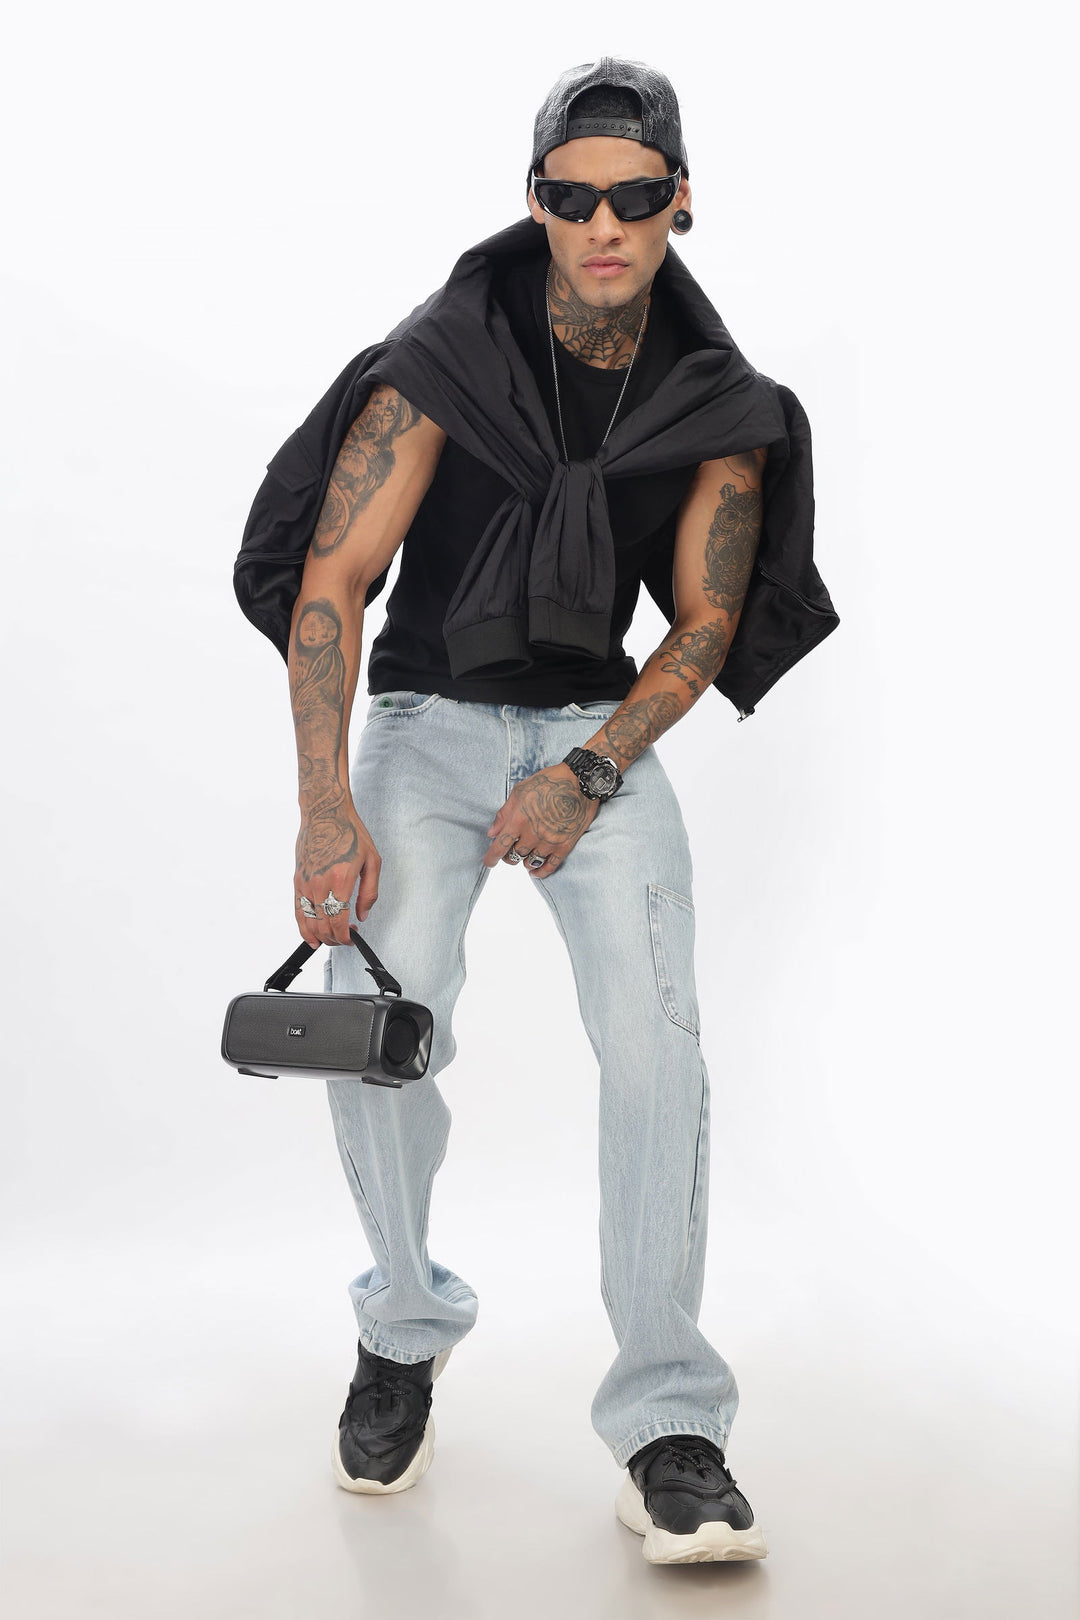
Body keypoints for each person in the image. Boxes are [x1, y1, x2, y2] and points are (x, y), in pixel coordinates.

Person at [237, 58, 837, 1565]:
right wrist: (324, 807)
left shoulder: (713, 401)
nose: (603, 224)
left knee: (659, 1041)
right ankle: (404, 1326)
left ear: (680, 202)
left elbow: (704, 621)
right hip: (426, 717)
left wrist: (589, 773)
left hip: (591, 727)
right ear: (536, 203)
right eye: (573, 197)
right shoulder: (445, 361)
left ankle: (671, 1424)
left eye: (634, 196)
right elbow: (336, 578)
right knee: (386, 1016)